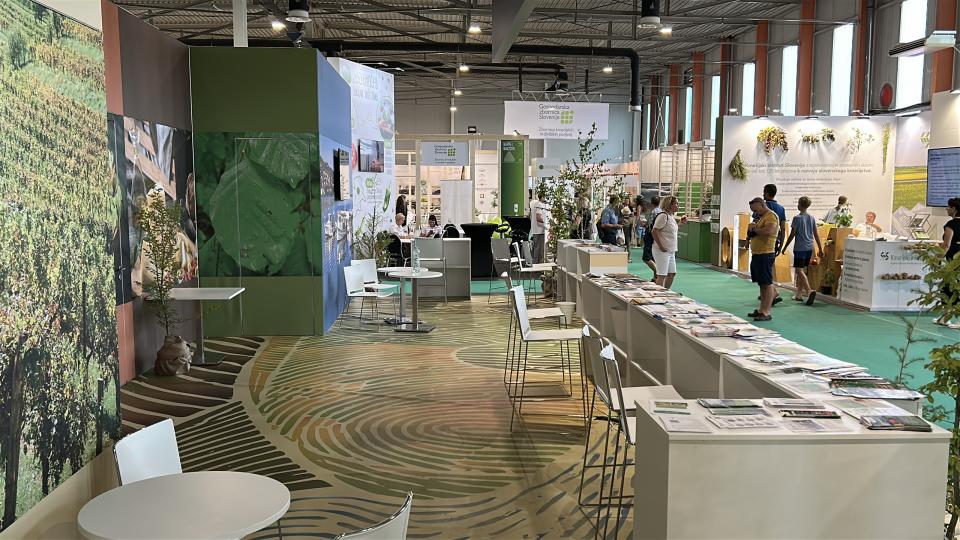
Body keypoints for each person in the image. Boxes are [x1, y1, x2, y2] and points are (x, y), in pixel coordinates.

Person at [780, 196, 824, 305]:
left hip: (800, 248)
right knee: (802, 271)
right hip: (809, 248)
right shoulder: (812, 218)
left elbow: (792, 235)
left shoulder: (797, 218)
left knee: (798, 270)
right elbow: (816, 234)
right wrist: (820, 248)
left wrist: (784, 246)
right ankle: (799, 294)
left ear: (799, 205)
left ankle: (809, 291)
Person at [747, 197, 780, 321]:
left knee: (767, 283)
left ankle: (766, 312)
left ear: (761, 205)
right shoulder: (761, 217)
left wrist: (755, 230)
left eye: (755, 210)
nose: (755, 213)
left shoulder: (771, 216)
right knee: (762, 284)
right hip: (758, 254)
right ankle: (761, 310)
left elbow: (770, 230)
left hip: (765, 254)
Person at [936, 197, 960, 328]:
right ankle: (945, 318)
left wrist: (938, 259)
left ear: (954, 209)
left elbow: (946, 245)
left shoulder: (951, 224)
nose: (947, 209)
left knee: (948, 287)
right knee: (949, 287)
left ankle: (949, 318)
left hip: (953, 260)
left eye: (948, 207)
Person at [763, 184, 787, 307]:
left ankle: (772, 292)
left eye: (764, 192)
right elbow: (783, 228)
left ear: (767, 193)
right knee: (768, 267)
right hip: (775, 241)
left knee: (763, 269)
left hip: (763, 242)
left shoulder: (763, 207)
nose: (763, 194)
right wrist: (781, 244)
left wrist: (748, 238)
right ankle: (768, 292)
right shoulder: (781, 208)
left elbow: (756, 224)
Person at [651, 196, 680, 289]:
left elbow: (670, 230)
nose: (678, 205)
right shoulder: (663, 216)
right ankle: (658, 294)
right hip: (662, 251)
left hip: (671, 250)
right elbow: (654, 231)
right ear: (669, 205)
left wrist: (680, 224)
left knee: (671, 274)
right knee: (662, 275)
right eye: (676, 203)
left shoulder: (671, 216)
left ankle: (666, 292)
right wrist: (661, 246)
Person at [641, 195, 662, 278]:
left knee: (646, 257)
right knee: (653, 257)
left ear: (651, 203)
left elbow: (651, 226)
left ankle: (657, 272)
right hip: (657, 236)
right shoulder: (661, 211)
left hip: (650, 236)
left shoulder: (653, 212)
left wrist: (645, 225)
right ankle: (655, 278)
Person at [529, 184, 549, 263]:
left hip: (537, 230)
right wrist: (547, 224)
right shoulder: (539, 204)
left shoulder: (537, 204)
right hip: (539, 230)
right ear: (542, 197)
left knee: (536, 248)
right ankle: (536, 265)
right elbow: (538, 217)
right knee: (538, 249)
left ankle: (535, 263)